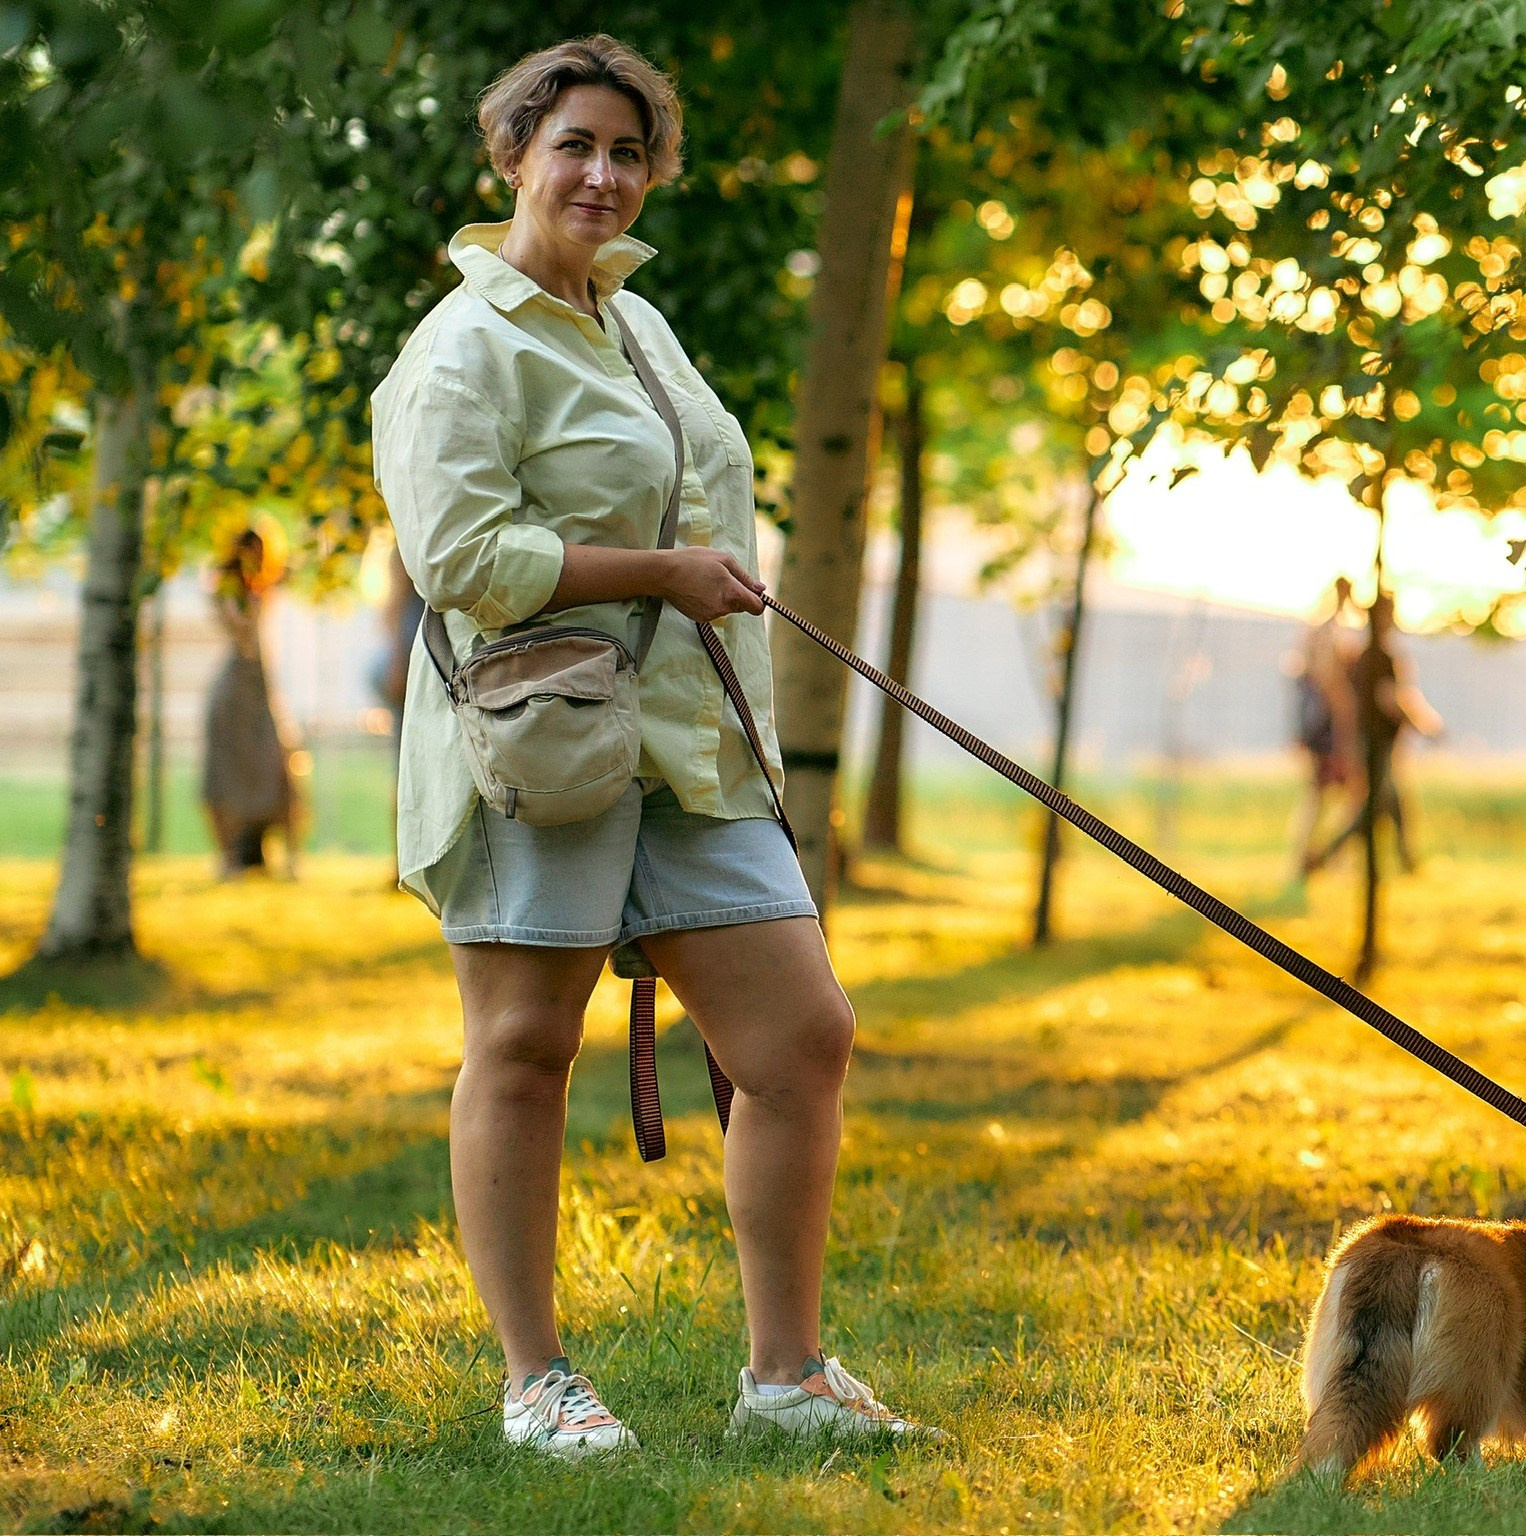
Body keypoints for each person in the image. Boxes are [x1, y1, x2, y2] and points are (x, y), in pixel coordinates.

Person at [370, 35, 938, 1461]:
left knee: (801, 1034)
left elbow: (699, 497)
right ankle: (537, 1383)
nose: (604, 176)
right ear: (513, 155)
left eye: (630, 152)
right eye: (574, 146)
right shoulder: (460, 351)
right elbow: (461, 555)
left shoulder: (638, 324)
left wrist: (700, 585)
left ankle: (786, 1376)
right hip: (537, 738)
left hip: (688, 739)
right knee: (523, 1046)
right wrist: (661, 573)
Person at [1308, 590, 1443, 875]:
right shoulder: (1378, 655)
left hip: (1375, 743)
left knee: (1393, 805)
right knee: (1372, 810)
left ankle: (1408, 862)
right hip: (1375, 745)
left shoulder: (1368, 654)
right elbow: (1391, 699)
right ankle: (1321, 858)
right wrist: (1425, 727)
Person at [201, 527, 296, 876]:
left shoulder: (262, 589)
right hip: (240, 683)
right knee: (226, 770)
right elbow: (243, 636)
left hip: (260, 685)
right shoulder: (228, 592)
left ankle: (286, 857)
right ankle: (228, 858)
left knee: (279, 768)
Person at [1288, 576, 1361, 873]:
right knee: (1338, 797)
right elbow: (1331, 685)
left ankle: (1313, 858)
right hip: (1329, 730)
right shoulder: (1329, 633)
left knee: (1321, 798)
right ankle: (1324, 860)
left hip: (1319, 729)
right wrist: (1348, 726)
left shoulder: (1320, 630)